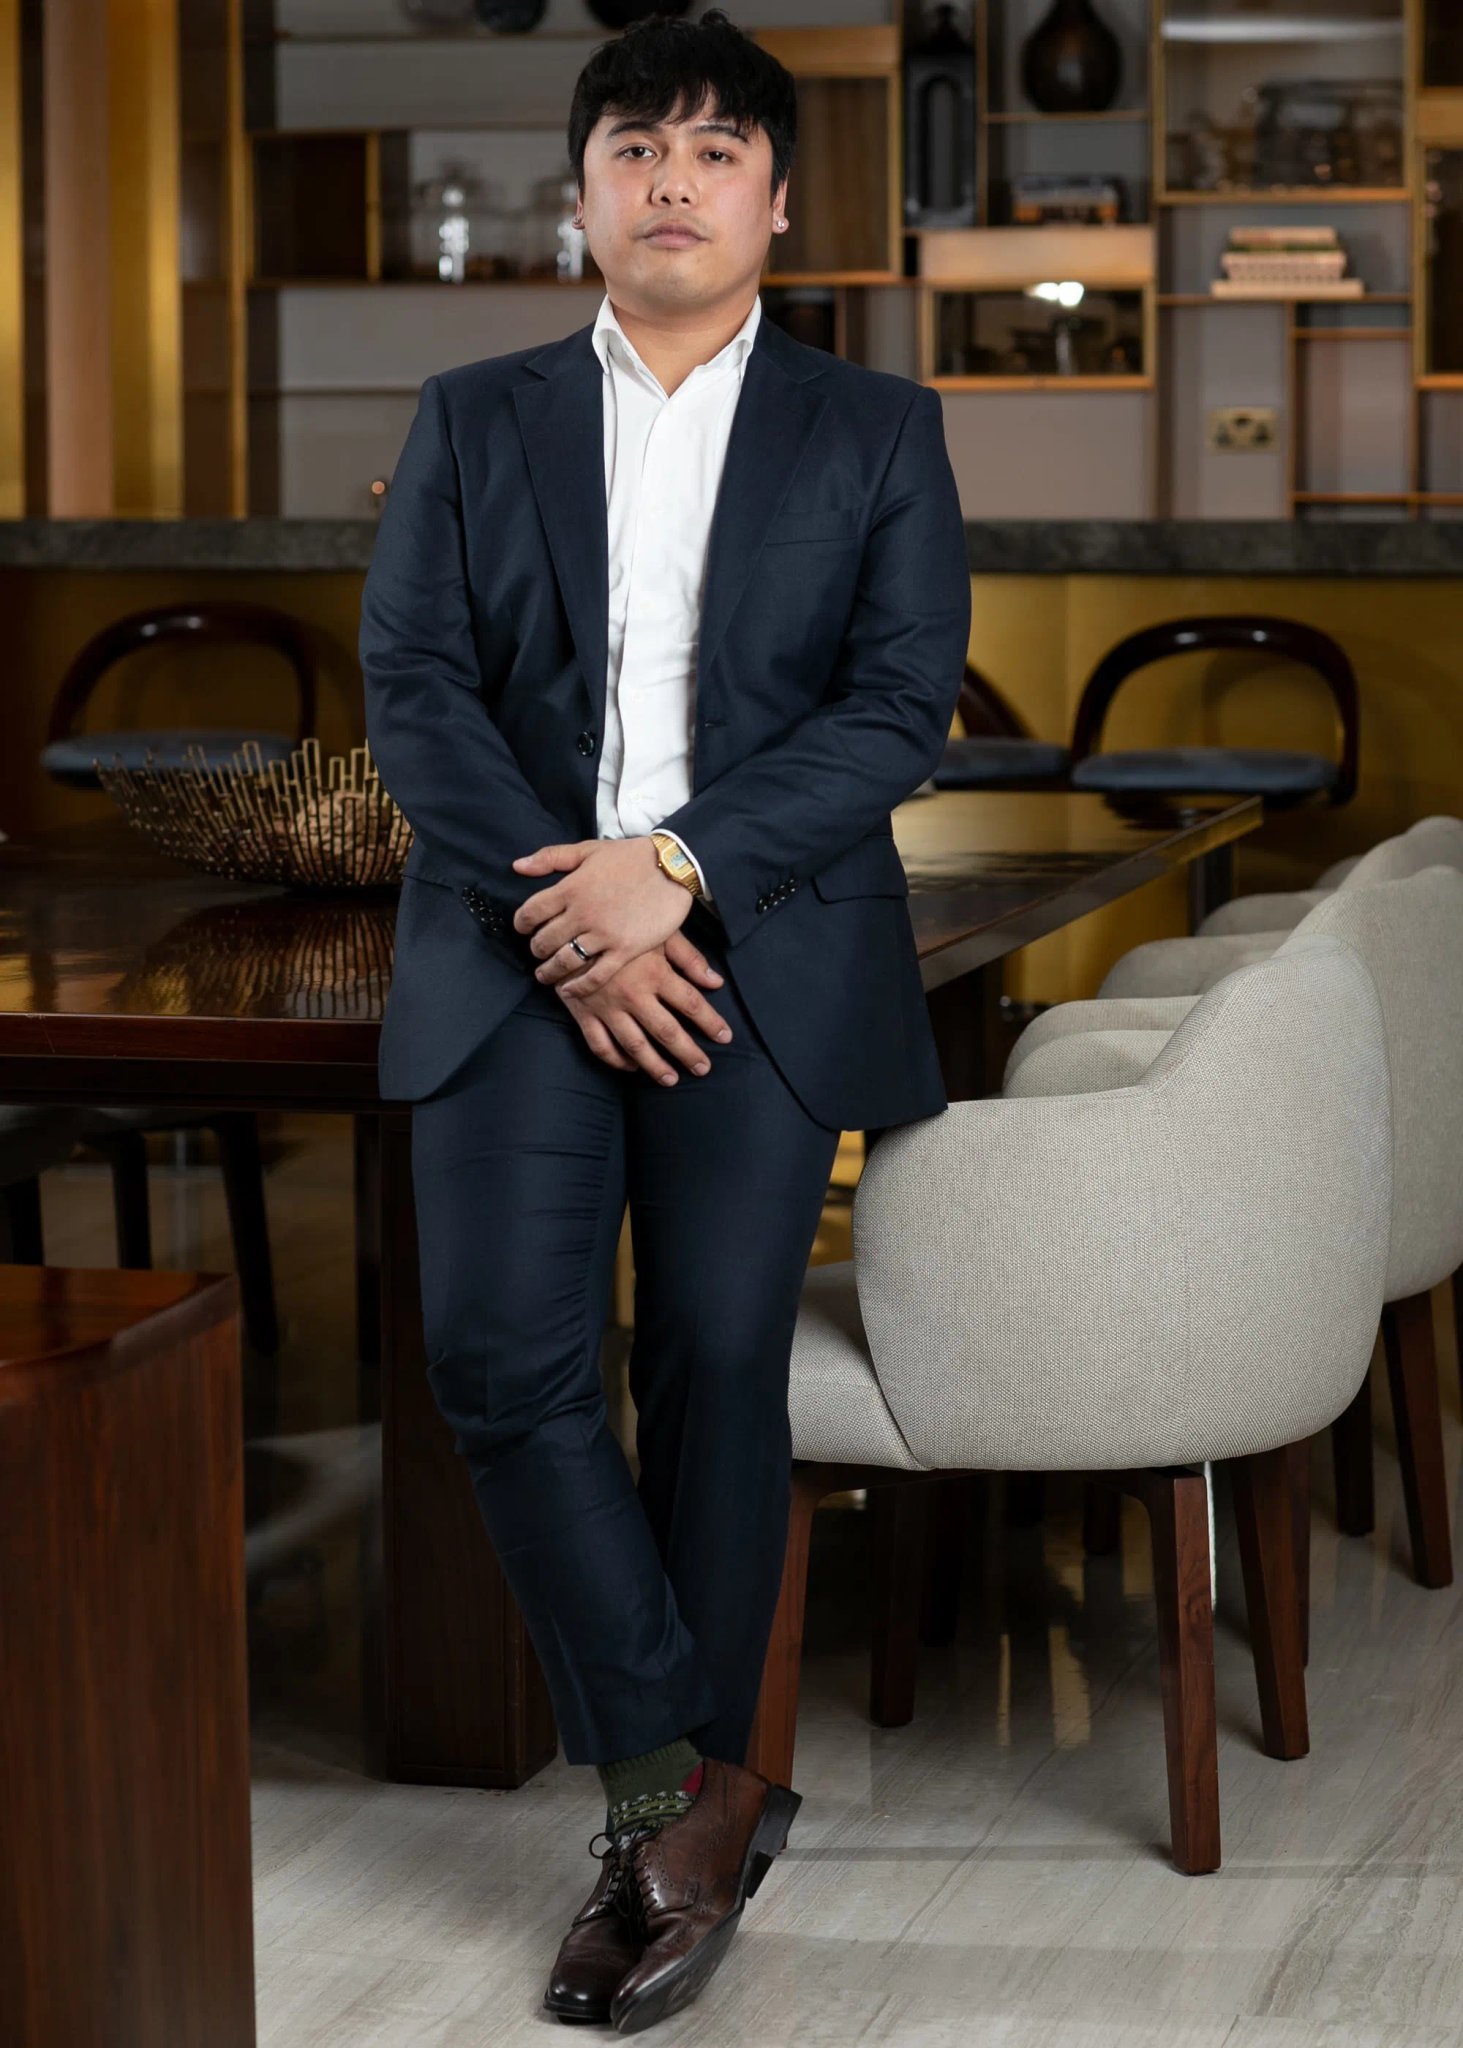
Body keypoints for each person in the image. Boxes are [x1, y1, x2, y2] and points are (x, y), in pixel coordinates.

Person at [359, 9, 970, 2033]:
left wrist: (675, 872)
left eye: (716, 150)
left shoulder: (875, 429)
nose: (675, 180)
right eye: (637, 148)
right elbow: (417, 693)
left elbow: (895, 708)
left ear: (779, 202)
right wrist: (584, 908)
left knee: (715, 1354)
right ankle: (681, 1795)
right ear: (584, 197)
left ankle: (665, 1848)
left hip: (758, 948)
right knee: (497, 1357)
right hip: (519, 942)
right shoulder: (474, 416)